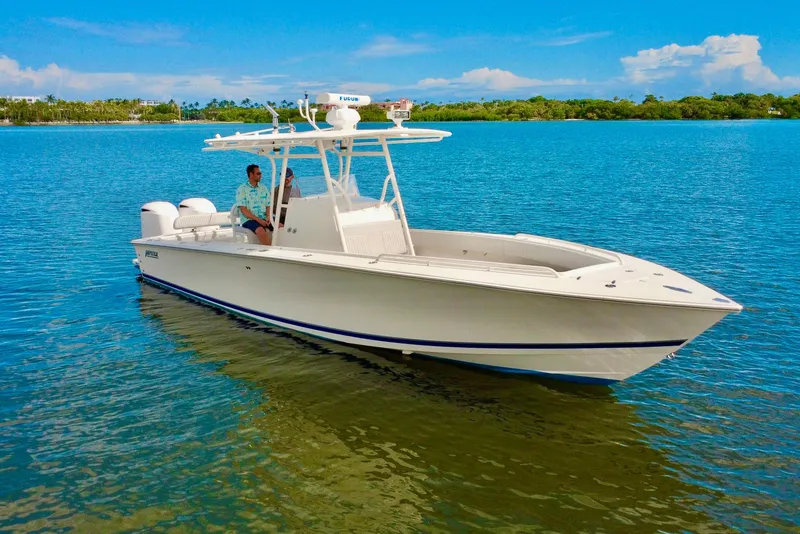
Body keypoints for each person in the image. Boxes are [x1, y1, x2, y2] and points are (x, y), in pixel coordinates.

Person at [235, 164, 272, 245]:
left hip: (264, 218)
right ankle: (270, 251)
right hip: (249, 220)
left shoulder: (263, 188)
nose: (261, 175)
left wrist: (268, 216)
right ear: (251, 174)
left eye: (260, 173)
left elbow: (268, 205)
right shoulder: (242, 190)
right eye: (258, 173)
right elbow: (243, 210)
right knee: (260, 230)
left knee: (280, 226)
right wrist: (259, 220)